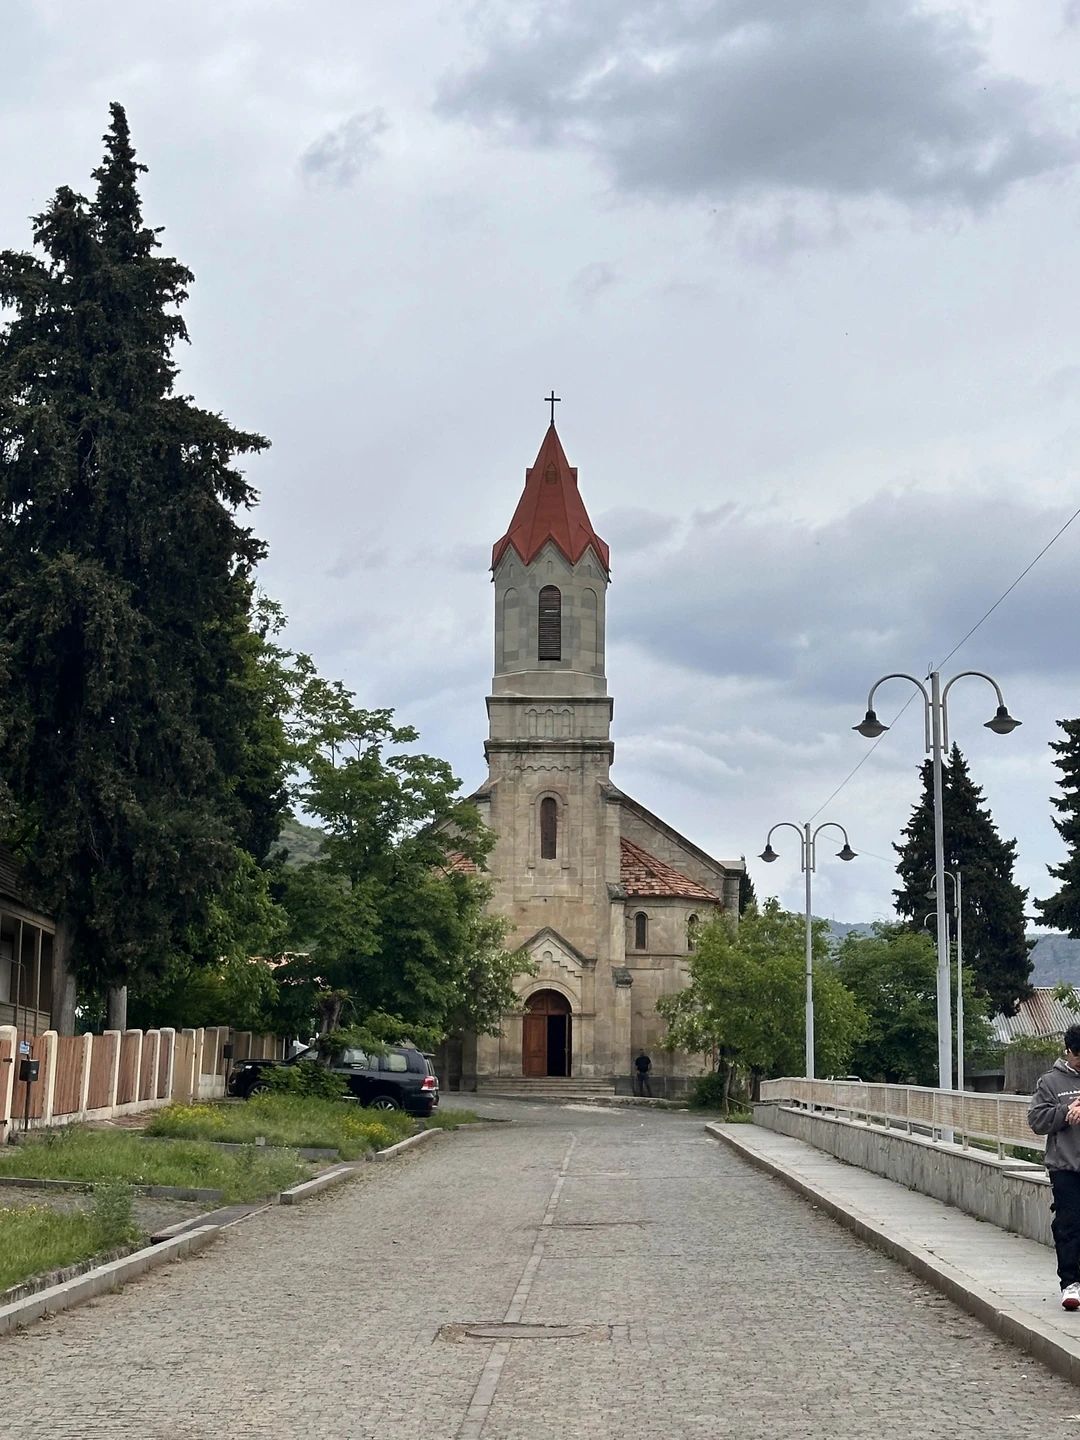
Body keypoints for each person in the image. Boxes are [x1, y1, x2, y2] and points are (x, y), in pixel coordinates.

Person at [1028, 1024, 1080, 1310]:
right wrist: (1065, 1111)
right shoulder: (1050, 1082)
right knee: (1069, 1224)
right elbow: (1037, 1120)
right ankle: (1070, 1283)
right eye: (1077, 1054)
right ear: (1067, 1050)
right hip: (1065, 1166)